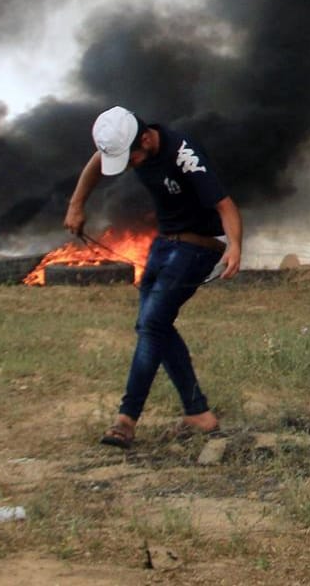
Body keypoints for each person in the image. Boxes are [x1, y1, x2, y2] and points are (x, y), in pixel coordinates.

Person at [63, 106, 242, 449]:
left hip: (198, 248)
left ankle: (126, 419)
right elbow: (95, 162)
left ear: (145, 139)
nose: (131, 166)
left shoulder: (184, 154)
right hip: (164, 244)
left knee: (152, 324)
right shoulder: (132, 146)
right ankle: (198, 413)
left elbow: (226, 205)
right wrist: (76, 205)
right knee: (154, 326)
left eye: (132, 158)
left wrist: (235, 246)